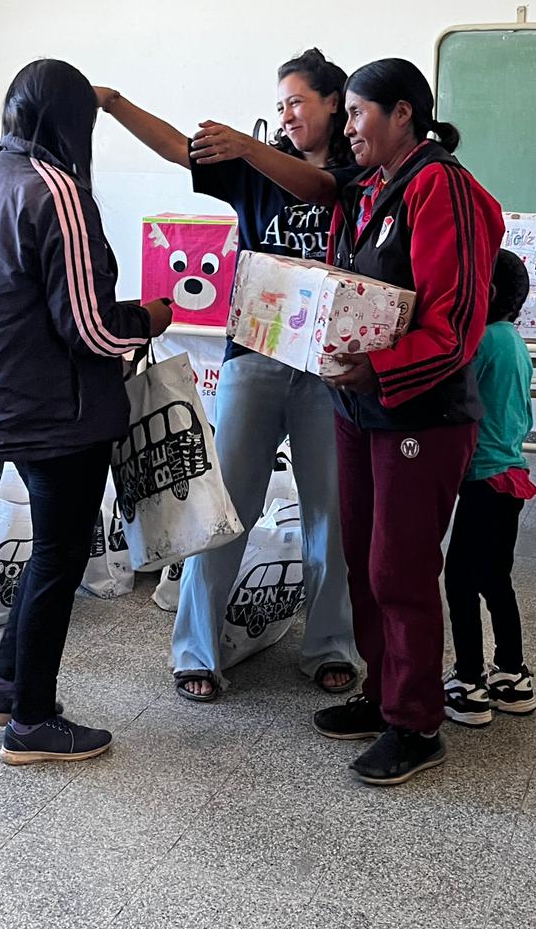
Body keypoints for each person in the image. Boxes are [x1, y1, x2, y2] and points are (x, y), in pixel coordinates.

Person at [202, 57, 504, 783]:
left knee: (400, 568)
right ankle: (382, 692)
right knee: (363, 558)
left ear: (403, 114)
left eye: (360, 113)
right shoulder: (368, 189)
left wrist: (379, 369)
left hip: (418, 412)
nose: (350, 128)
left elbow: (455, 325)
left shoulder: (441, 187)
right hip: (356, 406)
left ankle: (416, 723)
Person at [94, 48, 360, 702]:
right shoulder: (251, 170)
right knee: (225, 508)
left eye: (298, 102)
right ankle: (197, 650)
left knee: (330, 513)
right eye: (280, 106)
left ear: (334, 103)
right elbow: (177, 148)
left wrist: (249, 146)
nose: (287, 115)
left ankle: (330, 645)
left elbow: (320, 189)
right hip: (255, 357)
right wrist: (114, 103)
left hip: (328, 367)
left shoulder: (359, 170)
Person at [0, 59, 172, 764]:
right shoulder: (57, 190)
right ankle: (32, 722)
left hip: (0, 395)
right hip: (57, 410)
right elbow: (92, 328)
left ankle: (4, 687)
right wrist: (151, 317)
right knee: (59, 556)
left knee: (52, 547)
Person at [442, 249, 536, 726]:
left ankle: (468, 683)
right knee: (495, 579)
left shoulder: (481, 340)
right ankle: (512, 676)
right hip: (510, 477)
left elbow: (452, 395)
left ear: (487, 292)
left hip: (483, 479)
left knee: (459, 580)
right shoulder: (514, 340)